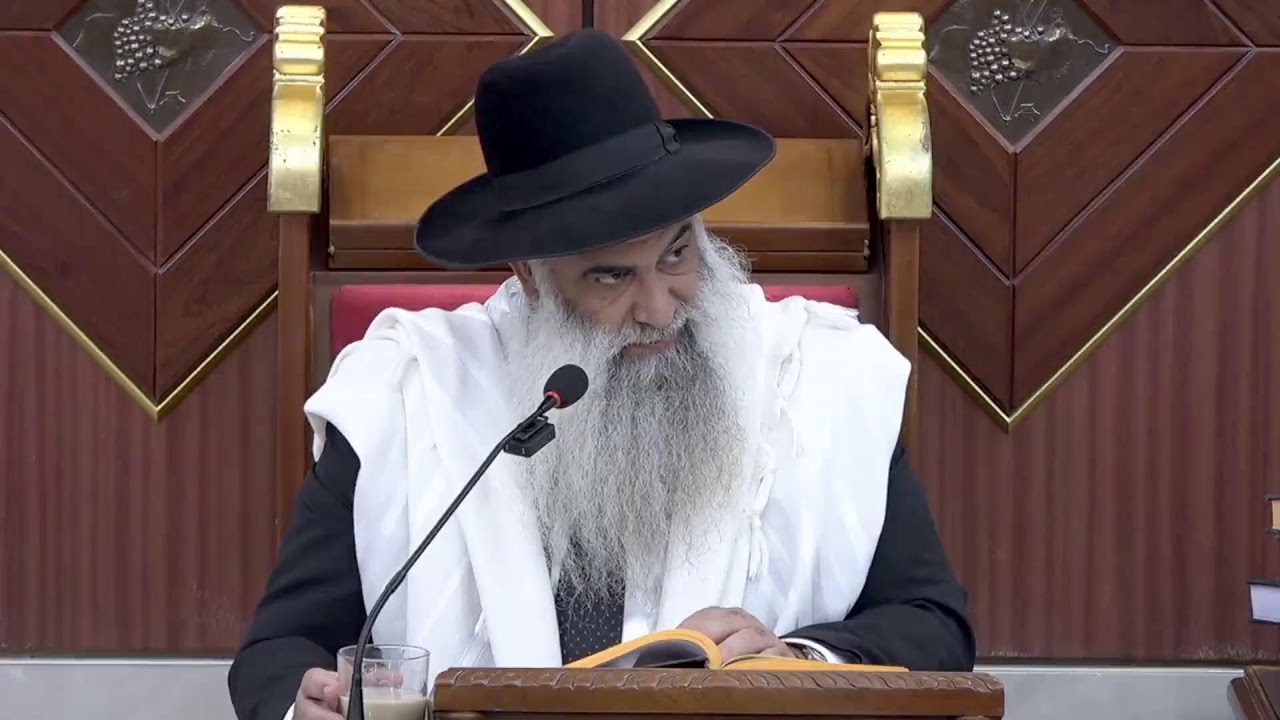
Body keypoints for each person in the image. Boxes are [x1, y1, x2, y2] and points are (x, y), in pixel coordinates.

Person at [228, 28, 974, 720]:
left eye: (677, 254)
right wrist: (304, 703)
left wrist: (797, 661)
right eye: (612, 277)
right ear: (529, 275)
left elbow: (932, 625)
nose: (660, 308)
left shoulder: (812, 377)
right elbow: (279, 650)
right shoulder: (410, 389)